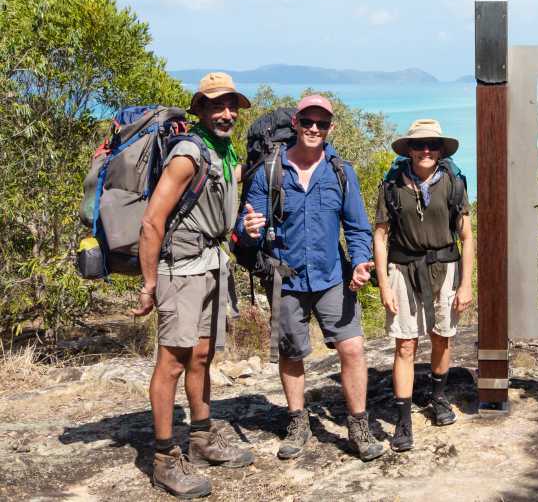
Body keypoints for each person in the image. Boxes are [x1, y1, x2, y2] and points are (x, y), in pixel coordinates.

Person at [236, 94, 384, 462]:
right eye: (308, 122)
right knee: (292, 353)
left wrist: (363, 261)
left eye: (322, 123)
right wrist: (249, 229)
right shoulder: (272, 170)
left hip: (333, 276)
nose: (314, 129)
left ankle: (359, 425)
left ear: (330, 128)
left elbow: (357, 227)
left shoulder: (339, 171)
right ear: (296, 124)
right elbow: (247, 222)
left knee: (352, 347)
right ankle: (298, 421)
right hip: (285, 279)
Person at [133, 72, 254, 498]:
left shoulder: (223, 152)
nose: (226, 114)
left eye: (231, 107)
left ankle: (200, 438)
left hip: (211, 265)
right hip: (180, 269)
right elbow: (152, 221)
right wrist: (149, 285)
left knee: (201, 356)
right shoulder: (188, 154)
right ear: (199, 109)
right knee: (171, 361)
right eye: (217, 106)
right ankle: (164, 458)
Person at [372, 119, 474, 451]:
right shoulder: (391, 185)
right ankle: (403, 420)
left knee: (442, 337)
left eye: (432, 144)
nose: (426, 150)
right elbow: (380, 236)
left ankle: (439, 398)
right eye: (419, 145)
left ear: (441, 149)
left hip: (445, 268)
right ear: (409, 150)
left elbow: (467, 236)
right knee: (405, 345)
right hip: (403, 270)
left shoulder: (454, 183)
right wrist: (384, 285)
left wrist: (466, 284)